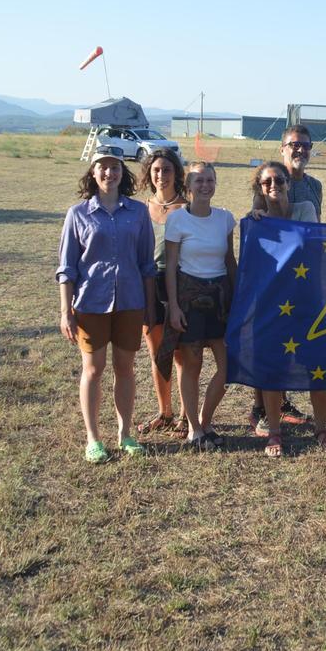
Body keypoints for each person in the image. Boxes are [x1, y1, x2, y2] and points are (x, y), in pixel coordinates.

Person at [56, 144, 156, 463]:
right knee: (93, 369)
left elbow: (147, 265)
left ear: (121, 173)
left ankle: (126, 433)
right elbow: (66, 268)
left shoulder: (139, 213)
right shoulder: (78, 214)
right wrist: (65, 311)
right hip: (90, 304)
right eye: (102, 167)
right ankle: (93, 439)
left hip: (129, 303)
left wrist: (151, 307)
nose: (108, 172)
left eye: (114, 167)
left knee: (124, 369)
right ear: (93, 172)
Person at [247, 161, 326, 457]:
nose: (274, 186)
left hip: (308, 300)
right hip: (271, 305)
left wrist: (270, 213)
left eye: (279, 181)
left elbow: (312, 240)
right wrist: (261, 213)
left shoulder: (305, 208)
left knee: (318, 367)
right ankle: (274, 433)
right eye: (266, 183)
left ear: (288, 183)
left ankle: (321, 428)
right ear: (259, 187)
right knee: (272, 368)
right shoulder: (253, 222)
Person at [163, 161, 238, 450]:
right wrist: (174, 306)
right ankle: (194, 428)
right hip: (188, 296)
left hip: (220, 296)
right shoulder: (177, 220)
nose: (205, 185)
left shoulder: (225, 218)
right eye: (198, 181)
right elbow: (170, 267)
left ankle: (206, 421)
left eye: (209, 180)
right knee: (192, 364)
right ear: (188, 185)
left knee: (227, 366)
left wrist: (238, 295)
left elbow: (229, 260)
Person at [135, 149, 188, 436]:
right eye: (156, 169)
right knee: (156, 352)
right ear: (149, 174)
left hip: (177, 283)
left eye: (167, 169)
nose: (161, 175)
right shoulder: (140, 209)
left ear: (176, 174)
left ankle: (184, 415)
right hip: (147, 284)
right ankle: (164, 412)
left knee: (178, 352)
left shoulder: (185, 208)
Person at [280, 124, 323, 220]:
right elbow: (257, 218)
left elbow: (317, 226)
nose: (301, 150)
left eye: (306, 146)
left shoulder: (315, 186)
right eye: (295, 145)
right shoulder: (271, 182)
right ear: (282, 150)